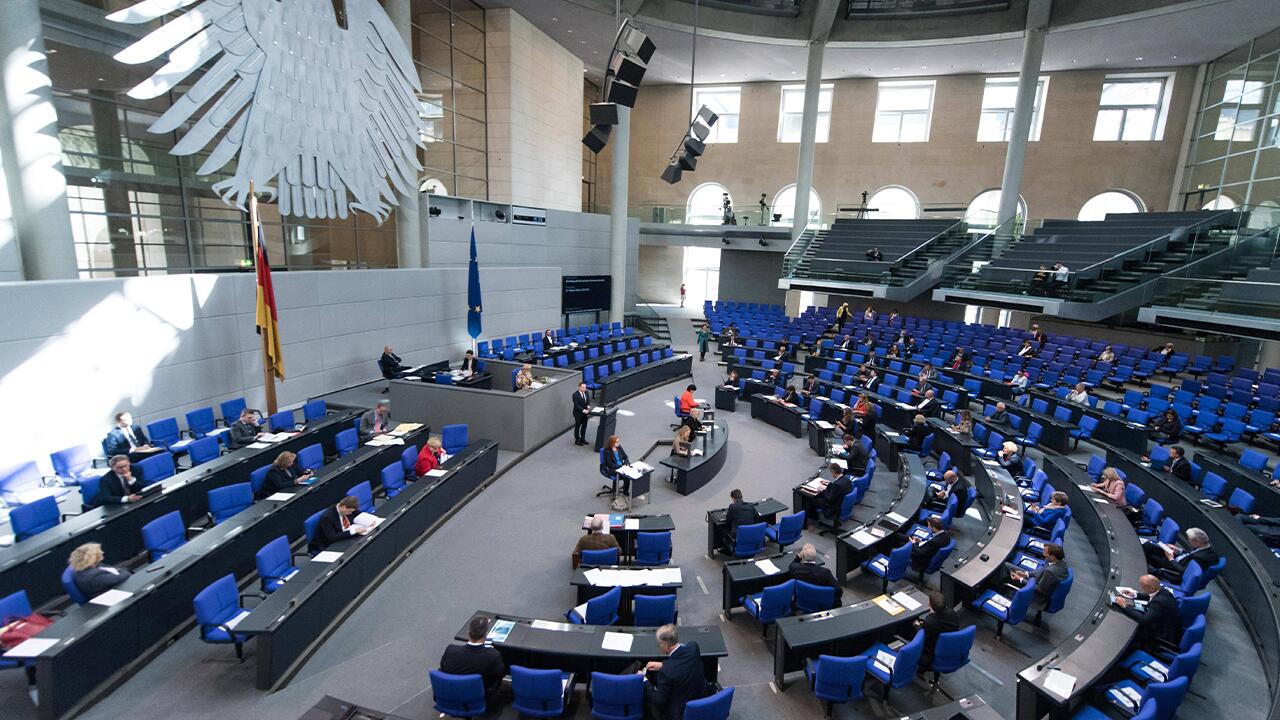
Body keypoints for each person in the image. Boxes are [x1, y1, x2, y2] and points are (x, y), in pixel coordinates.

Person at [640, 624, 711, 720]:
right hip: (703, 700)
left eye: (658, 644)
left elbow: (658, 700)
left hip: (681, 713)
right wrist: (663, 665)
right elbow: (681, 663)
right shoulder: (694, 647)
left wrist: (644, 680)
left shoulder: (666, 672)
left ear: (665, 645)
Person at [440, 616, 507, 696]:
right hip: (476, 697)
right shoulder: (493, 656)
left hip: (450, 694)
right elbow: (500, 673)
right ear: (486, 635)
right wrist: (489, 651)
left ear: (468, 633)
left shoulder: (450, 650)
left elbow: (443, 668)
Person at [1116, 574, 1183, 648]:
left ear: (1151, 588)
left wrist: (1124, 605)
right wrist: (1135, 595)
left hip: (1163, 636)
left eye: (1143, 587)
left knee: (1126, 631)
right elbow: (1151, 595)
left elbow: (1144, 619)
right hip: (1170, 626)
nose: (1142, 588)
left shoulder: (1158, 603)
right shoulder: (1163, 591)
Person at [1003, 543, 1068, 614]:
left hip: (1036, 595)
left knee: (1003, 575)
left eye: (1045, 554)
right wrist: (1026, 574)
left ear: (1052, 557)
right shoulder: (1060, 561)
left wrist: (1020, 579)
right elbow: (1040, 571)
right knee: (1006, 565)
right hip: (1036, 580)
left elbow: (1040, 589)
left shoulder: (1050, 572)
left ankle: (994, 588)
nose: (1043, 555)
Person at [1143, 527, 1219, 582]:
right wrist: (1179, 550)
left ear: (1197, 542)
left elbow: (1184, 571)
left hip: (1173, 567)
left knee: (1146, 555)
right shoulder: (1205, 546)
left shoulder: (1201, 558)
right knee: (1148, 545)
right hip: (1177, 558)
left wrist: (1171, 559)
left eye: (1190, 540)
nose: (1189, 541)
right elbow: (1190, 554)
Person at [917, 591, 961, 671]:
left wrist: (917, 626)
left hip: (932, 652)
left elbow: (922, 638)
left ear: (929, 604)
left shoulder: (930, 621)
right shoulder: (952, 613)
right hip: (950, 647)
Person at [572, 382, 592, 446]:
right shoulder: (575, 395)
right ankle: (577, 440)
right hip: (578, 414)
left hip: (585, 414)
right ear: (579, 387)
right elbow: (577, 405)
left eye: (585, 387)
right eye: (583, 387)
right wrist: (583, 410)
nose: (584, 388)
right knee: (577, 427)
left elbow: (587, 400)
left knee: (584, 426)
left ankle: (583, 439)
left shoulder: (586, 392)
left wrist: (588, 405)